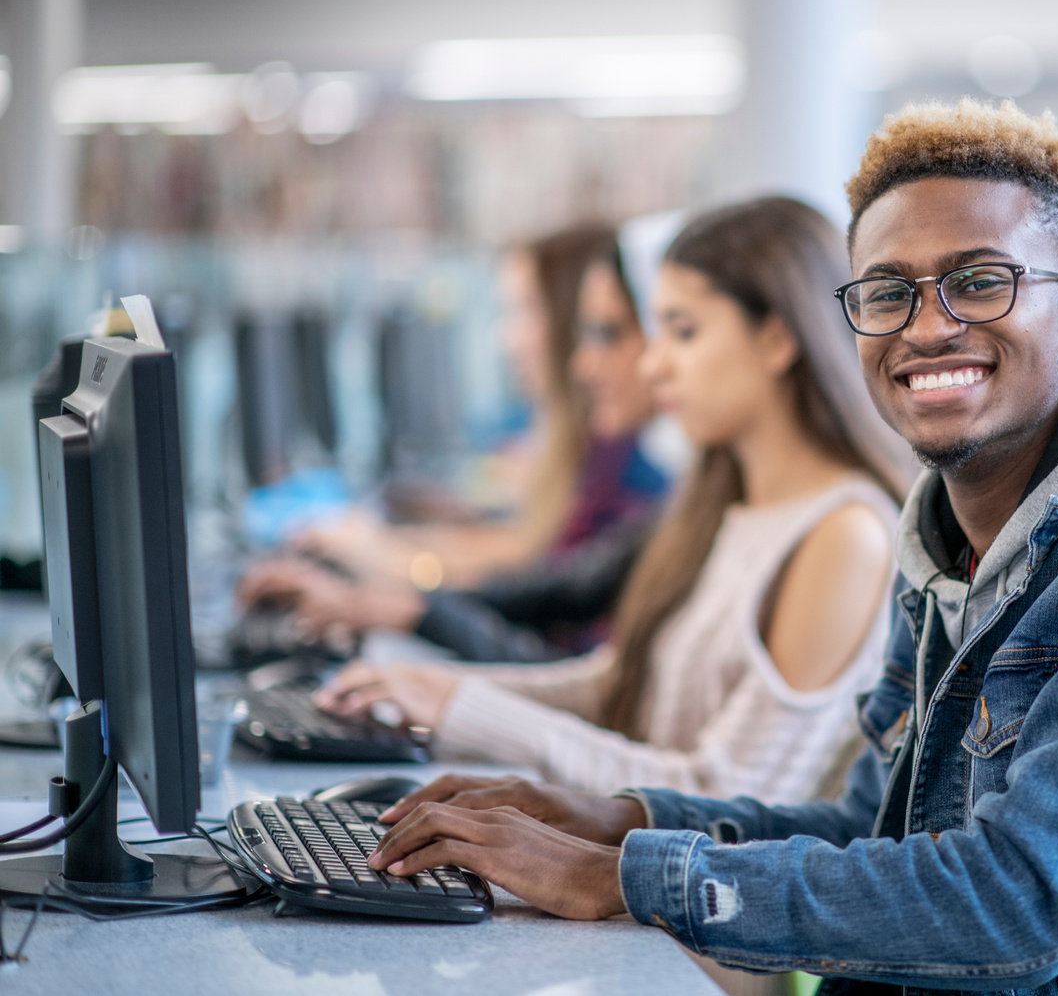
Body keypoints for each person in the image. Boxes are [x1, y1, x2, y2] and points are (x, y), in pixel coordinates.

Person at [361, 100, 1058, 996]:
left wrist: (626, 875)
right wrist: (612, 818)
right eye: (887, 292)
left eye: (979, 281)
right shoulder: (951, 535)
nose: (926, 325)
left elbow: (1025, 901)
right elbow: (875, 832)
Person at [315, 197, 911, 805]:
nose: (653, 365)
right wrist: (437, 690)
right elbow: (619, 684)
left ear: (778, 337)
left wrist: (461, 709)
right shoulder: (728, 506)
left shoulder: (845, 533)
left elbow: (728, 798)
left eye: (683, 331)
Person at [238, 227, 672, 662]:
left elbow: (543, 604)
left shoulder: (632, 473)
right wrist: (392, 584)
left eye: (524, 311)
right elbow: (538, 582)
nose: (507, 339)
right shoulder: (619, 467)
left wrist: (396, 576)